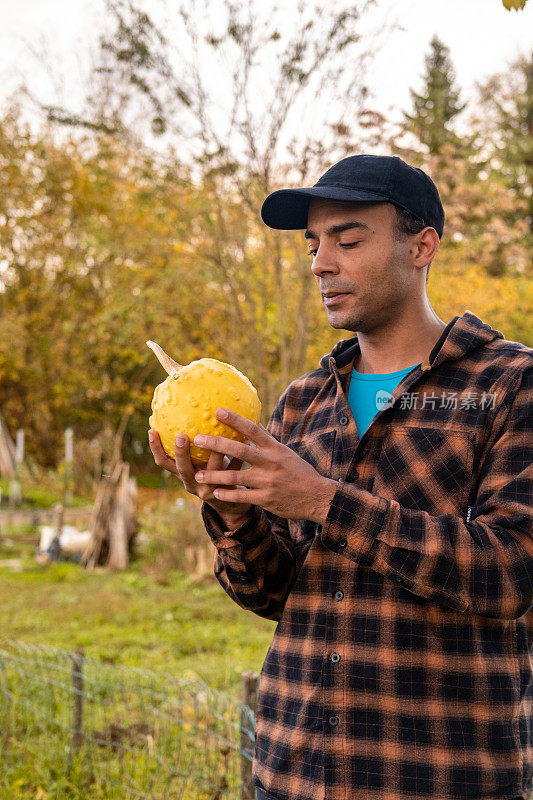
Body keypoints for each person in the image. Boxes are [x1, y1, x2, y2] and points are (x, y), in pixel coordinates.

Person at [148, 154, 533, 800]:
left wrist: (324, 501)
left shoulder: (507, 384)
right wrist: (234, 511)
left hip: (439, 778)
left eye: (347, 240)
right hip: (291, 772)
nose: (321, 263)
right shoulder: (304, 401)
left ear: (421, 246)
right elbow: (274, 595)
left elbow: (511, 572)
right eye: (314, 245)